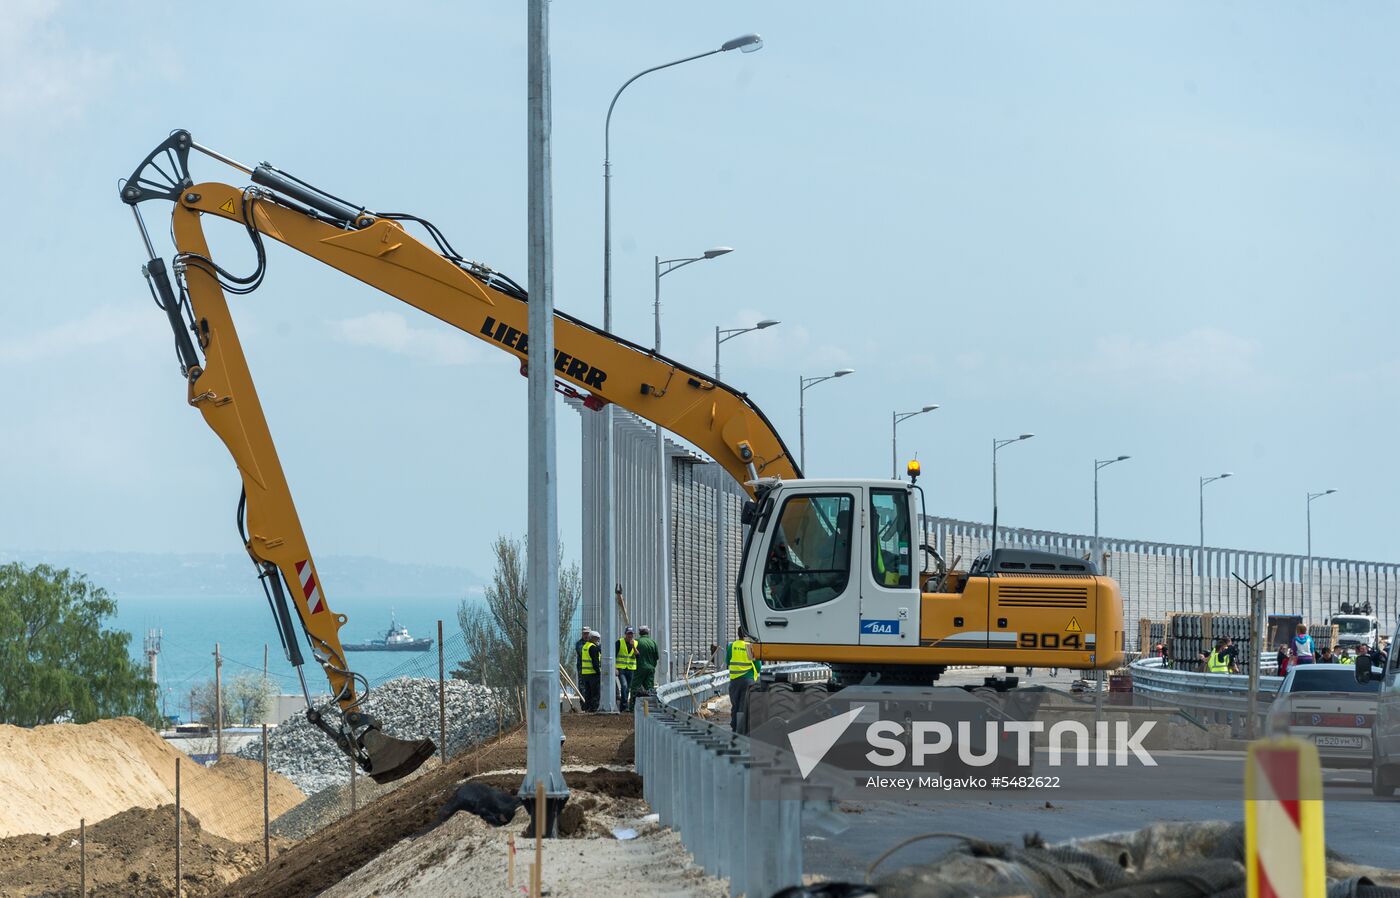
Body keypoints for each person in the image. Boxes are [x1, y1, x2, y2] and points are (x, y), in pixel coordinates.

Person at [725, 631, 761, 732]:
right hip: (748, 680)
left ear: (738, 634)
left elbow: (728, 661)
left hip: (735, 680)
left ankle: (734, 727)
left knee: (735, 705)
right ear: (747, 635)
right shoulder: (750, 647)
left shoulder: (732, 646)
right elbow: (758, 667)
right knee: (744, 705)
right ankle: (742, 729)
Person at [633, 625, 659, 700]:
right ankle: (649, 706)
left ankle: (632, 707)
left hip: (639, 668)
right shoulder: (653, 642)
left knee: (635, 687)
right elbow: (656, 657)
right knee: (649, 688)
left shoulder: (636, 642)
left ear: (639, 633)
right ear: (648, 632)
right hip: (650, 668)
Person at [616, 626, 638, 710]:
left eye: (631, 634)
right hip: (621, 669)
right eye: (628, 634)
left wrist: (633, 647)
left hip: (631, 668)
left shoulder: (635, 643)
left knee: (628, 688)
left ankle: (623, 706)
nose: (630, 636)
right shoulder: (619, 642)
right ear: (625, 634)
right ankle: (624, 706)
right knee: (624, 686)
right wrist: (615, 668)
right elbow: (614, 655)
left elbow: (638, 656)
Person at [578, 630, 601, 712]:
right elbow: (595, 662)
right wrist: (599, 672)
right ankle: (594, 708)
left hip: (585, 673)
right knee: (595, 693)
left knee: (588, 692)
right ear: (593, 638)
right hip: (593, 674)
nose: (598, 640)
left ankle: (587, 708)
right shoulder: (593, 648)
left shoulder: (585, 646)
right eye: (597, 639)